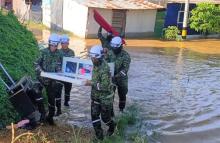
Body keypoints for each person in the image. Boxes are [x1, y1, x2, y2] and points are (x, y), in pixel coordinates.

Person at [85, 45, 116, 140]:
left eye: (93, 58)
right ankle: (99, 137)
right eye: (91, 57)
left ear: (98, 57)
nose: (92, 59)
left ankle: (112, 125)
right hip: (95, 96)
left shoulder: (105, 69)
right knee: (94, 116)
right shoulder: (95, 63)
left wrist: (91, 83)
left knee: (105, 118)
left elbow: (105, 86)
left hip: (105, 98)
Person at [35, 33, 63, 125]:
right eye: (52, 45)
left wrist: (59, 71)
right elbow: (36, 64)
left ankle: (50, 117)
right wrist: (42, 72)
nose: (54, 47)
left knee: (52, 99)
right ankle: (42, 114)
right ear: (49, 44)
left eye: (55, 46)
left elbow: (60, 65)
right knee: (38, 95)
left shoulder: (59, 53)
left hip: (52, 80)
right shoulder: (42, 52)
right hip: (41, 79)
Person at [109, 36, 131, 112]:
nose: (114, 49)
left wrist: (116, 76)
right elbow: (105, 64)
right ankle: (110, 112)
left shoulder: (126, 56)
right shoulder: (109, 53)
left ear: (120, 46)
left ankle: (121, 110)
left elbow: (125, 70)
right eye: (113, 47)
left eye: (116, 47)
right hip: (111, 78)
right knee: (110, 95)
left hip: (122, 79)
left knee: (122, 95)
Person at [59, 35, 75, 108]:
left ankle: (66, 102)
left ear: (68, 43)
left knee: (68, 90)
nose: (65, 45)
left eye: (66, 43)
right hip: (60, 74)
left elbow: (74, 63)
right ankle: (58, 104)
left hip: (69, 74)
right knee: (58, 90)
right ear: (61, 44)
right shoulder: (58, 52)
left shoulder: (72, 52)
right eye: (63, 43)